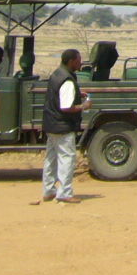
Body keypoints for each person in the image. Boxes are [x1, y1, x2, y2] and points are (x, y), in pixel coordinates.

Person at [41, 47, 92, 203]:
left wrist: (77, 93)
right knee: (67, 159)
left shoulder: (57, 74)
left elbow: (59, 96)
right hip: (63, 125)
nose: (80, 63)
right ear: (71, 61)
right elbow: (66, 107)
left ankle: (49, 190)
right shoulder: (67, 80)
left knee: (51, 159)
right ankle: (65, 193)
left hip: (51, 123)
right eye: (78, 60)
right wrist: (84, 106)